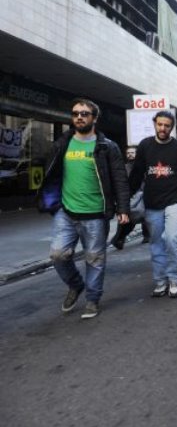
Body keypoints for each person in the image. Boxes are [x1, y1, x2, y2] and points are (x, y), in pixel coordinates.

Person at [40, 98, 130, 319]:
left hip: (96, 214)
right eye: (75, 114)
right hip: (66, 211)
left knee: (95, 258)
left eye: (84, 114)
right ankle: (75, 284)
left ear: (94, 118)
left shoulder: (107, 147)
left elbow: (119, 179)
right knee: (58, 254)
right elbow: (51, 173)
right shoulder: (62, 143)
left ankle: (92, 299)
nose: (79, 117)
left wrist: (123, 209)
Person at [129, 110, 177, 299]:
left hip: (175, 200)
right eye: (160, 124)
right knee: (156, 243)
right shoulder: (145, 145)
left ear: (172, 127)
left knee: (173, 240)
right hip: (152, 202)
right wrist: (125, 199)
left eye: (167, 125)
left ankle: (174, 279)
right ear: (154, 124)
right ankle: (160, 281)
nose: (163, 128)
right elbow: (136, 174)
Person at [110, 145, 150, 249]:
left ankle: (147, 235)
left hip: (143, 193)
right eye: (128, 153)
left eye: (132, 153)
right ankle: (119, 239)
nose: (130, 155)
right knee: (127, 217)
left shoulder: (144, 165)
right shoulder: (124, 167)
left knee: (145, 214)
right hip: (129, 195)